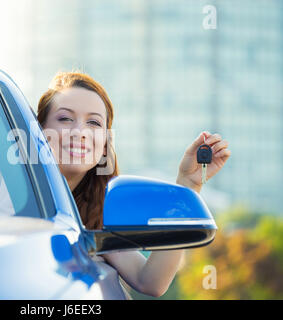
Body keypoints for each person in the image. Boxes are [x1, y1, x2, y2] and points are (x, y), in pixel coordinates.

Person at [36, 71, 230, 297]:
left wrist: (188, 184)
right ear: (40, 130)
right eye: (65, 119)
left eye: (94, 123)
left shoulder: (94, 223)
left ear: (105, 144)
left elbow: (150, 281)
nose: (80, 132)